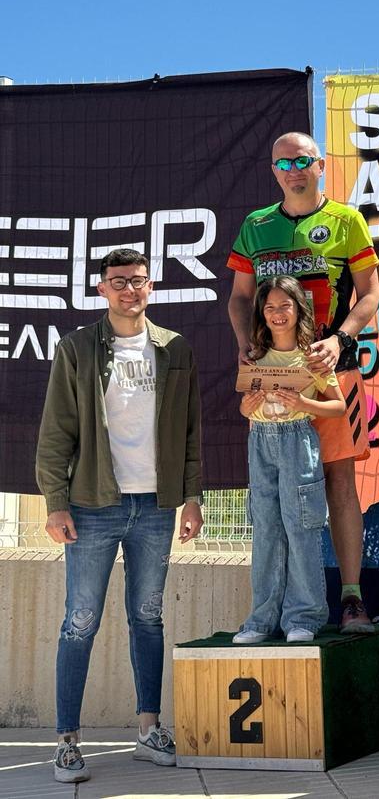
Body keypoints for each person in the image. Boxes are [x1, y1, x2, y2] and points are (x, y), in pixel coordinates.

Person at [35, 248, 204, 784]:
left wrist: (193, 497)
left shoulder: (174, 349)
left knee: (148, 619)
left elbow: (192, 432)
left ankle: (150, 730)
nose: (129, 290)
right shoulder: (78, 347)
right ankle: (66, 741)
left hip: (155, 508)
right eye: (118, 282)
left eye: (137, 281)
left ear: (150, 286)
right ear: (102, 289)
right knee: (79, 621)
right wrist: (55, 502)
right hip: (92, 505)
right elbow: (56, 432)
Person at [228, 132, 379, 632]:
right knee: (275, 498)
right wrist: (246, 345)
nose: (294, 169)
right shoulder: (256, 225)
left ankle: (352, 598)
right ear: (274, 171)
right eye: (284, 163)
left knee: (339, 481)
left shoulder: (346, 220)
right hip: (272, 375)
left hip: (331, 370)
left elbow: (370, 295)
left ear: (322, 164)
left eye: (304, 161)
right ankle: (275, 612)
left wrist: (338, 340)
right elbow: (239, 298)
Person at [234, 276, 347, 643]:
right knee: (266, 529)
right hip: (261, 443)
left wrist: (304, 403)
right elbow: (245, 406)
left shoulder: (312, 357)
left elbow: (338, 405)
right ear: (262, 315)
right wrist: (247, 407)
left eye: (285, 306)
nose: (278, 314)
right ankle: (261, 620)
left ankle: (304, 617)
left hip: (298, 442)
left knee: (301, 527)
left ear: (299, 309)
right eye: (270, 308)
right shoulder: (255, 357)